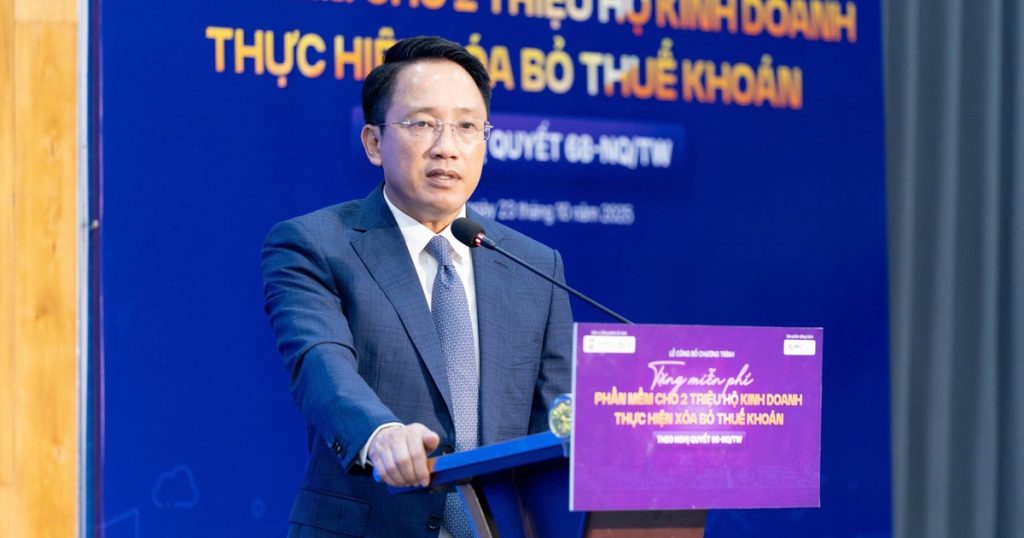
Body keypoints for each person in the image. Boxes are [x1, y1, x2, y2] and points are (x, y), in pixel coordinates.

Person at [261, 36, 573, 537]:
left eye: (467, 126)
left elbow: (560, 421)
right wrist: (381, 434)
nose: (446, 146)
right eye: (422, 124)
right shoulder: (314, 245)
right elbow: (321, 365)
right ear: (373, 142)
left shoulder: (534, 265)